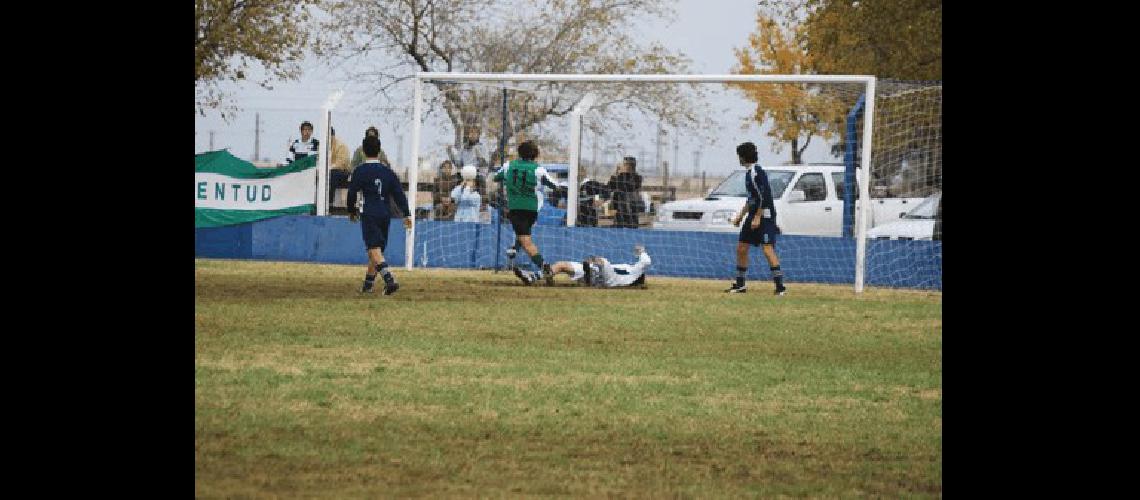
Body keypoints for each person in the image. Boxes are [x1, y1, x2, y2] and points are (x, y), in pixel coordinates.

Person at [347, 136, 412, 295]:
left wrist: (351, 210)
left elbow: (352, 193)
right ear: (380, 151)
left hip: (369, 212)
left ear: (362, 151)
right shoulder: (388, 172)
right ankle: (368, 285)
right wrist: (406, 214)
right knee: (376, 251)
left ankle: (390, 280)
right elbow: (399, 194)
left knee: (373, 248)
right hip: (385, 213)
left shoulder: (360, 171)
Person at [726, 142, 786, 295]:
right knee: (741, 248)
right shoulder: (749, 173)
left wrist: (758, 217)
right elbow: (751, 198)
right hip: (754, 214)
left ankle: (780, 288)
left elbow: (763, 195)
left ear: (743, 156)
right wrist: (740, 217)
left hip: (764, 215)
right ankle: (740, 285)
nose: (738, 158)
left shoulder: (757, 172)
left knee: (767, 249)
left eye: (739, 156)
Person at [493, 141, 557, 285]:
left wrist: (509, 182)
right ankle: (515, 248)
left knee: (526, 242)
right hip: (532, 209)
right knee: (524, 235)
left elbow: (496, 177)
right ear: (535, 155)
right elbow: (554, 184)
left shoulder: (509, 165)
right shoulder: (538, 169)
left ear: (519, 153)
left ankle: (544, 266)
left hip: (516, 207)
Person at [513, 245, 651, 288]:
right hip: (601, 274)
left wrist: (642, 251)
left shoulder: (635, 272)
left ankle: (591, 272)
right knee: (561, 265)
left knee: (603, 261)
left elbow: (646, 262)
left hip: (608, 279)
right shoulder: (633, 272)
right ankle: (533, 277)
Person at [607, 157, 643, 228]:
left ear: (631, 166)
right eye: (624, 164)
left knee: (632, 227)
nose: (624, 166)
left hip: (631, 210)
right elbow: (610, 186)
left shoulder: (637, 177)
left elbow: (630, 187)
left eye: (626, 164)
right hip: (619, 210)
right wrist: (616, 172)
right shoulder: (619, 176)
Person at [328, 128, 352, 206]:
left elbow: (340, 164)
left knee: (332, 175)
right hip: (328, 170)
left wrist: (327, 168)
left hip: (342, 172)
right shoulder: (321, 146)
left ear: (333, 136)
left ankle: (329, 202)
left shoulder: (341, 146)